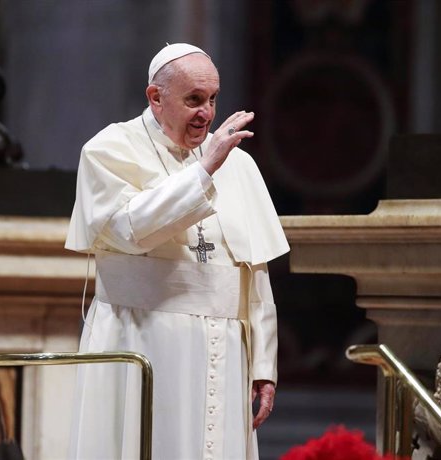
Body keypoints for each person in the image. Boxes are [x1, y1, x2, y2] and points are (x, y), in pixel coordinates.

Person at [65, 43, 289, 459]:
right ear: (156, 97)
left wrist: (263, 365)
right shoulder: (108, 150)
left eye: (212, 99)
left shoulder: (237, 165)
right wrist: (203, 173)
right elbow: (130, 229)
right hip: (139, 338)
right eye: (194, 100)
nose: (206, 112)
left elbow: (254, 274)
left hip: (225, 352)